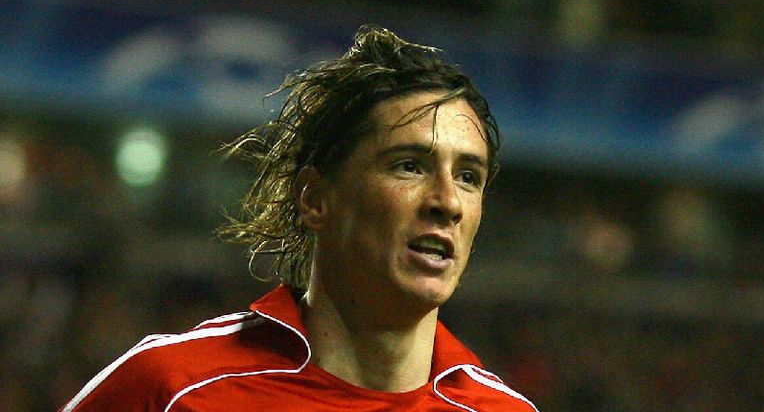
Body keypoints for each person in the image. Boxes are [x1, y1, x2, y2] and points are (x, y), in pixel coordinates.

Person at [61, 25, 538, 411]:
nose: (448, 202)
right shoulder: (172, 387)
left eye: (468, 177)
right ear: (315, 198)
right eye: (409, 166)